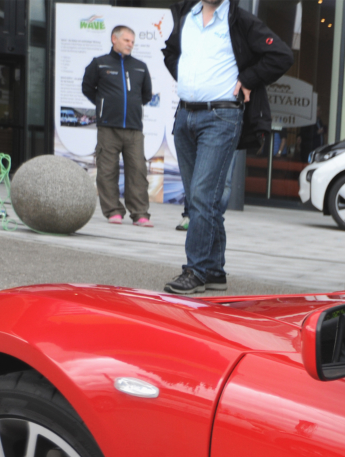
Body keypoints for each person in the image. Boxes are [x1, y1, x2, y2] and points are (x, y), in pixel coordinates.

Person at [161, 0, 292, 294]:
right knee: (201, 197)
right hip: (184, 115)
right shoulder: (186, 15)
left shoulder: (240, 20)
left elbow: (281, 55)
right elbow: (170, 52)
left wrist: (248, 78)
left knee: (202, 196)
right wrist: (185, 77)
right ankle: (214, 271)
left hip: (221, 116)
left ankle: (195, 270)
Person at [82, 25, 154, 226]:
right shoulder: (100, 64)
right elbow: (87, 88)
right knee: (106, 170)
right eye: (127, 40)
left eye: (132, 41)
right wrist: (104, 104)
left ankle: (140, 214)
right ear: (114, 39)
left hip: (133, 129)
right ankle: (113, 211)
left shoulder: (140, 67)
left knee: (138, 171)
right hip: (108, 127)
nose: (130, 44)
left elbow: (146, 95)